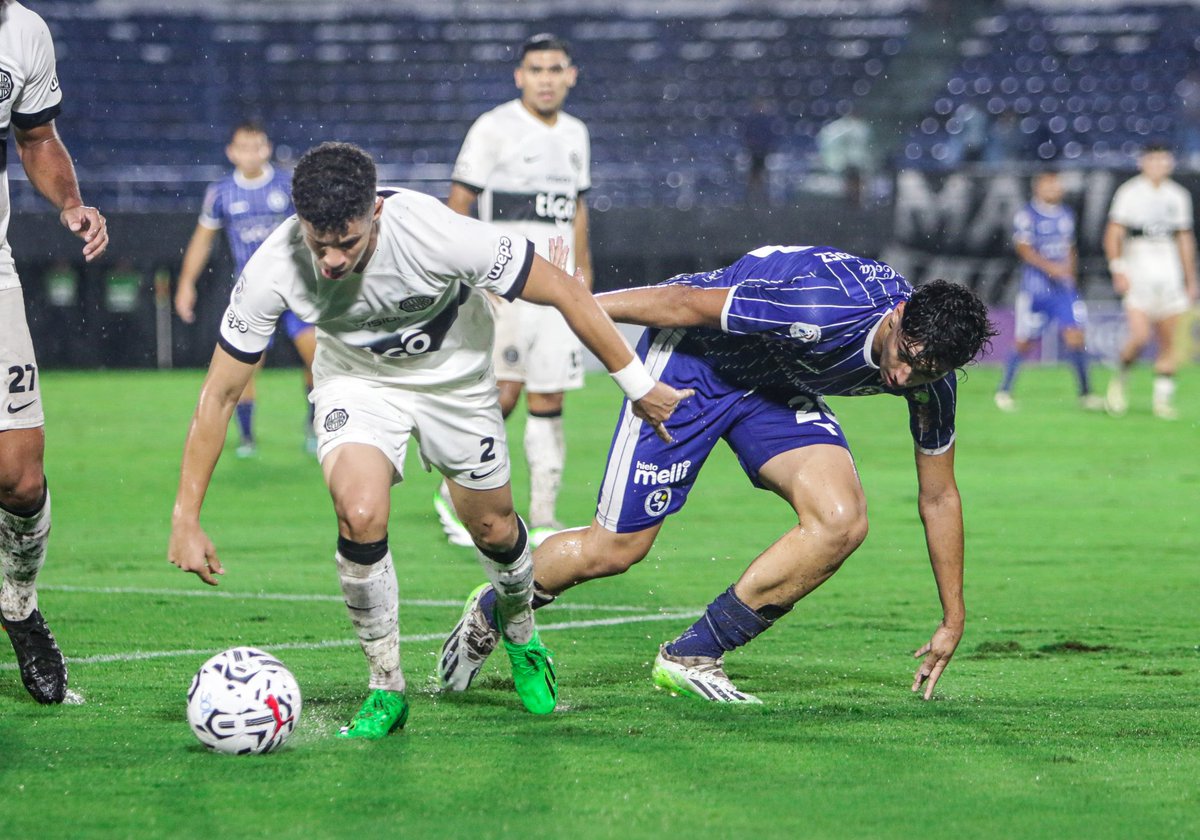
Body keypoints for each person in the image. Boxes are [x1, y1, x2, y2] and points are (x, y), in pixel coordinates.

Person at [167, 143, 689, 737]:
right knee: (359, 512)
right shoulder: (273, 267)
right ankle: (386, 686)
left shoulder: (437, 232)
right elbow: (219, 394)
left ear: (376, 214)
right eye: (320, 243)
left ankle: (520, 634)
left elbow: (567, 291)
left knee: (494, 529)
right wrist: (187, 515)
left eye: (348, 242)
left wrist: (639, 384)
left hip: (458, 383)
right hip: (358, 384)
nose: (333, 259)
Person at [440, 242, 996, 705]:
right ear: (897, 316)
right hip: (696, 361)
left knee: (841, 520)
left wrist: (953, 616)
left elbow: (939, 496)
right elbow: (682, 304)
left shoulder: (931, 377)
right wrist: (571, 304)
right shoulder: (820, 307)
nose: (904, 376)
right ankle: (492, 611)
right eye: (905, 356)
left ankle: (693, 654)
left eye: (928, 370)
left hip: (773, 385)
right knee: (614, 551)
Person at [437, 33, 592, 549]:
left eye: (554, 69)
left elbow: (576, 211)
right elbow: (458, 202)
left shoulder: (576, 134)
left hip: (559, 289)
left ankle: (543, 515)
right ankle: (454, 495)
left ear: (570, 75)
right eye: (536, 69)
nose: (545, 79)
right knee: (502, 394)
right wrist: (466, 275)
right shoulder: (494, 127)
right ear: (519, 76)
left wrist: (582, 275)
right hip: (504, 287)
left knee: (549, 395)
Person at [0, 0, 109, 703]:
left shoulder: (24, 30)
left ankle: (16, 602)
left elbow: (36, 134)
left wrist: (69, 200)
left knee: (19, 476)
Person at [174, 121, 317, 456]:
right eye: (244, 147)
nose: (252, 153)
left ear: (267, 148)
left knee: (315, 355)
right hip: (251, 291)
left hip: (296, 287)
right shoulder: (221, 192)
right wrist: (185, 284)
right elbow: (202, 240)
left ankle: (314, 424)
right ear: (232, 152)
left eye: (258, 146)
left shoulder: (289, 185)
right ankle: (247, 436)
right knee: (246, 364)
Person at [1104, 144, 1199, 419]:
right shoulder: (1130, 193)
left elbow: (1184, 238)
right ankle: (1121, 377)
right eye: (1154, 159)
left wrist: (1190, 278)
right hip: (1139, 273)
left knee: (1170, 341)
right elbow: (1114, 232)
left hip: (1169, 276)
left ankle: (1162, 400)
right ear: (1143, 162)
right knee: (1140, 336)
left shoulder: (1178, 196)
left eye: (1163, 159)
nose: (1159, 164)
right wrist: (1118, 268)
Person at [995, 172, 1102, 412]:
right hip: (1035, 291)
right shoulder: (1027, 215)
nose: (1054, 189)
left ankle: (1086, 394)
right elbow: (1023, 248)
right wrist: (1051, 267)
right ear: (1037, 187)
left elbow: (1069, 247)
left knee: (1076, 337)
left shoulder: (1066, 214)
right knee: (1025, 342)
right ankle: (1004, 390)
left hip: (1063, 290)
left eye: (1056, 184)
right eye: (1049, 184)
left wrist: (1070, 274)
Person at [816, 103, 873, 206]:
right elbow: (825, 141)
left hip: (855, 166)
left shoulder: (863, 128)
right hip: (844, 165)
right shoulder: (837, 128)